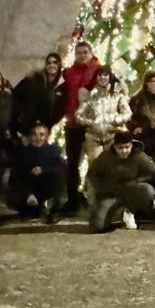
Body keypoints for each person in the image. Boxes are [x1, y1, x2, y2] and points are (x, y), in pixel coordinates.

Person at [87, 130, 155, 232]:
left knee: (147, 190)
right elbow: (92, 174)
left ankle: (131, 211)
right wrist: (101, 189)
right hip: (111, 194)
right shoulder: (105, 157)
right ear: (115, 147)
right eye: (121, 148)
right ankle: (117, 215)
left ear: (131, 146)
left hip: (131, 191)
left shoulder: (138, 155)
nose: (124, 151)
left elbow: (153, 171)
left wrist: (137, 181)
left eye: (127, 147)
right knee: (97, 226)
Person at [62, 41, 100, 212]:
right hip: (73, 124)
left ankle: (95, 199)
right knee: (72, 164)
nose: (82, 55)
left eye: (85, 52)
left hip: (92, 125)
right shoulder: (69, 73)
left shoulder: (100, 71)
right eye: (79, 53)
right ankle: (72, 200)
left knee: (95, 162)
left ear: (91, 53)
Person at [76, 66, 132, 169]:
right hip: (93, 137)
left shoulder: (117, 95)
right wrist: (90, 122)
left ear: (109, 77)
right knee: (95, 166)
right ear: (96, 77)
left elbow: (128, 113)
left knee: (112, 166)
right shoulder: (90, 96)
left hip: (112, 136)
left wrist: (116, 119)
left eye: (105, 75)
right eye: (100, 75)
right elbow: (78, 115)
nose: (102, 77)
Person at [10, 122, 66, 222]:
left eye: (41, 135)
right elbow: (15, 176)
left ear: (46, 136)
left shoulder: (53, 150)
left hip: (47, 190)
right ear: (30, 136)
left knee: (58, 177)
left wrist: (43, 170)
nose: (38, 138)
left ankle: (49, 208)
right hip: (29, 192)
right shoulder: (22, 153)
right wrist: (28, 194)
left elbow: (61, 169)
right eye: (35, 134)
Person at [11, 53, 66, 139]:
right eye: (49, 63)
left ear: (59, 64)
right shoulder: (34, 78)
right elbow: (15, 94)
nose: (51, 65)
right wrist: (19, 118)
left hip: (45, 130)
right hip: (26, 127)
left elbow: (61, 109)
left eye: (55, 62)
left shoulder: (62, 86)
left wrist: (50, 125)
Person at [128, 69, 155, 135]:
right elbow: (130, 118)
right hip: (144, 136)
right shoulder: (137, 99)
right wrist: (139, 127)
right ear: (148, 83)